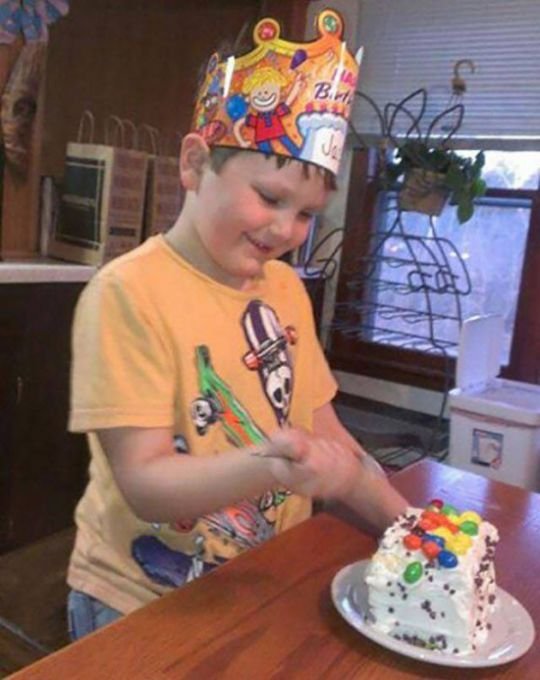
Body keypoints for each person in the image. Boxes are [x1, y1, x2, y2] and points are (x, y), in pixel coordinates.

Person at [66, 9, 408, 641]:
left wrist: (410, 528)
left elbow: (330, 438)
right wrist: (272, 467)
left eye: (306, 213)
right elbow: (145, 484)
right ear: (196, 164)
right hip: (139, 600)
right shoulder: (128, 294)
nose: (287, 230)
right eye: (271, 198)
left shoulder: (286, 289)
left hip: (261, 580)